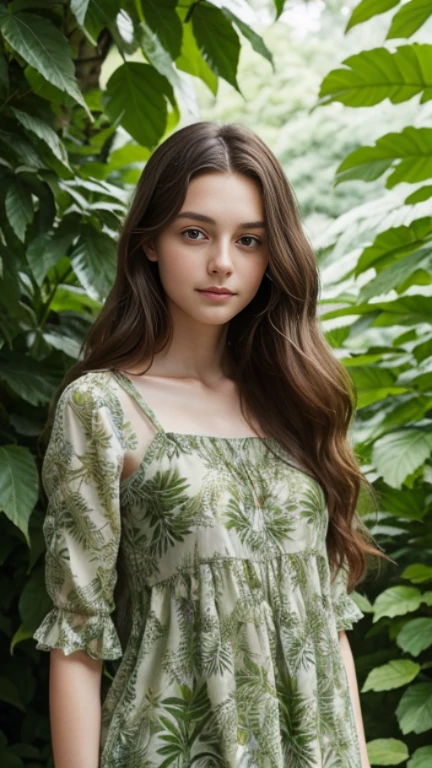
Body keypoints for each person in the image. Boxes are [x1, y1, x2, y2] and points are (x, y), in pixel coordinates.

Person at [33, 121, 387, 768]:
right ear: (148, 243)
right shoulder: (105, 408)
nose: (223, 261)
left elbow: (327, 623)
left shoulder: (294, 399)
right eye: (195, 233)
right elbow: (77, 638)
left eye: (249, 241)